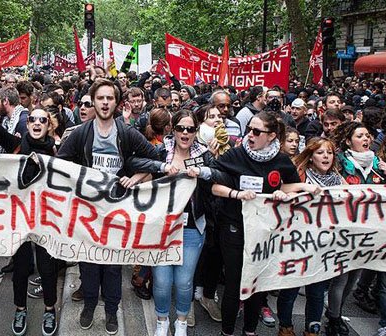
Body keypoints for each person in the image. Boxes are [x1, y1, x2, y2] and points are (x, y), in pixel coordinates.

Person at [58, 79, 161, 335]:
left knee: (114, 267)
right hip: (88, 215)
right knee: (89, 265)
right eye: (100, 98)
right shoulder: (80, 133)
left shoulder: (126, 133)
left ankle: (111, 310)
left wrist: (136, 177)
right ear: (93, 101)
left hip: (117, 213)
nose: (105, 103)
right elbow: (61, 164)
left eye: (110, 98)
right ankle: (90, 306)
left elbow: (154, 157)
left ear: (117, 103)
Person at [207, 111, 319, 336]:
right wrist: (237, 194)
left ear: (271, 136)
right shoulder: (235, 155)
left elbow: (286, 187)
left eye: (256, 131)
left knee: (258, 283)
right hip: (234, 226)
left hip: (265, 232)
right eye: (249, 129)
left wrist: (295, 190)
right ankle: (227, 332)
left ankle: (250, 330)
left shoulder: (281, 160)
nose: (250, 134)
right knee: (235, 282)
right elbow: (213, 186)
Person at [0, 79, 60, 336]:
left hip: (46, 219)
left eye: (42, 120)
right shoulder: (17, 145)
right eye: (32, 118)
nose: (36, 123)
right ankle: (20, 309)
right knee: (21, 269)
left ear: (49, 126)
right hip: (20, 219)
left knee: (47, 268)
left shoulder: (59, 153)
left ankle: (49, 310)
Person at [134, 110, 214, 336]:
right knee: (160, 280)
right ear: (173, 129)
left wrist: (203, 172)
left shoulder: (205, 155)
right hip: (162, 229)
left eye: (190, 129)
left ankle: (180, 321)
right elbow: (137, 162)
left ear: (195, 131)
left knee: (184, 281)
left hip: (191, 229)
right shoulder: (160, 151)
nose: (185, 133)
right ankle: (161, 321)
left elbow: (220, 175)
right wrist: (157, 170)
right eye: (181, 128)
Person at [326, 121, 386, 336]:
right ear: (348, 141)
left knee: (353, 277)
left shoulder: (377, 163)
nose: (366, 140)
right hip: (344, 229)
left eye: (368, 136)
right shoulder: (339, 164)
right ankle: (334, 319)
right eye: (360, 136)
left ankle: (336, 310)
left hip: (368, 230)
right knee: (341, 276)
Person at [277, 138, 344, 336]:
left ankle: (312, 328)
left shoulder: (339, 180)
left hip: (323, 244)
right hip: (297, 242)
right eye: (321, 152)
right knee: (290, 289)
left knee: (316, 291)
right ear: (311, 156)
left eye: (329, 153)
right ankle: (286, 326)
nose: (326, 156)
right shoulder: (300, 175)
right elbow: (282, 191)